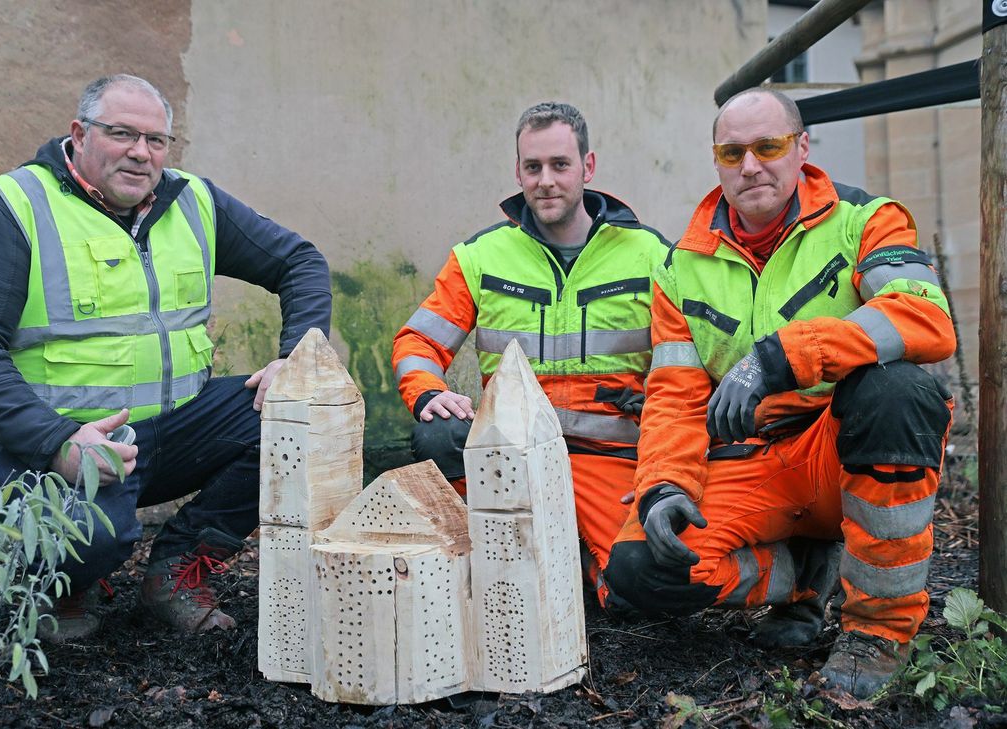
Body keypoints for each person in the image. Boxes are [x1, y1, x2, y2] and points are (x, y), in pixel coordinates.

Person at [0, 74, 332, 642]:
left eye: (156, 140)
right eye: (121, 134)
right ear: (79, 133)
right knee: (90, 534)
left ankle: (176, 570)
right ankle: (65, 587)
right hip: (54, 447)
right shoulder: (12, 207)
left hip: (174, 430)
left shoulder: (193, 200)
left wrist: (295, 360)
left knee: (300, 417)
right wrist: (58, 441)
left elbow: (300, 262)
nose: (141, 153)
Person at [603, 88, 955, 698]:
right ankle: (807, 579)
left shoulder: (866, 220)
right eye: (732, 151)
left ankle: (878, 631)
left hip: (838, 445)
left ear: (802, 149)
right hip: (755, 462)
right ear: (716, 160)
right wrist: (665, 486)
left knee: (897, 391)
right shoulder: (681, 265)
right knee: (643, 571)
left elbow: (925, 316)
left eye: (769, 146)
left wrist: (784, 357)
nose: (750, 165)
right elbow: (674, 397)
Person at [391, 102, 670, 610]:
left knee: (639, 591)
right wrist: (429, 391)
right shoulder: (480, 256)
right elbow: (417, 342)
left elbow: (690, 364)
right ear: (517, 172)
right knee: (437, 433)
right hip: (508, 456)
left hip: (608, 459)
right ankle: (514, 555)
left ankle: (578, 565)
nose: (545, 181)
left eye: (560, 165)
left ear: (588, 167)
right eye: (532, 167)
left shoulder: (650, 254)